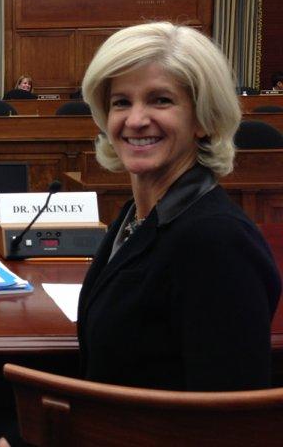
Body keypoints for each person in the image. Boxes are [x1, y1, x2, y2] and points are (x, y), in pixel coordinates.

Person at [77, 21, 281, 391]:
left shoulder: (219, 243)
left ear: (202, 118)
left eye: (161, 100)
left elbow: (225, 423)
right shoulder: (137, 216)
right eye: (121, 102)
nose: (136, 120)